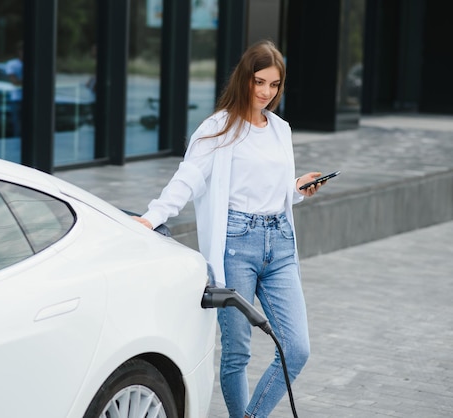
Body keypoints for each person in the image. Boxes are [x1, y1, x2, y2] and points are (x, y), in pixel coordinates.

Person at [133, 40, 326, 418]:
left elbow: (273, 189)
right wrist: (151, 217)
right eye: (259, 82)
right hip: (237, 244)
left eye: (274, 85)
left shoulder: (279, 129)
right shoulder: (218, 128)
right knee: (237, 350)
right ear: (243, 79)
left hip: (281, 243)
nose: (266, 92)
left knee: (297, 348)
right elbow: (186, 180)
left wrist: (297, 189)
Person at [5, 41, 23, 136]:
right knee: (18, 127)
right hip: (17, 99)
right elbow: (14, 81)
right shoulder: (12, 64)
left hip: (31, 100)